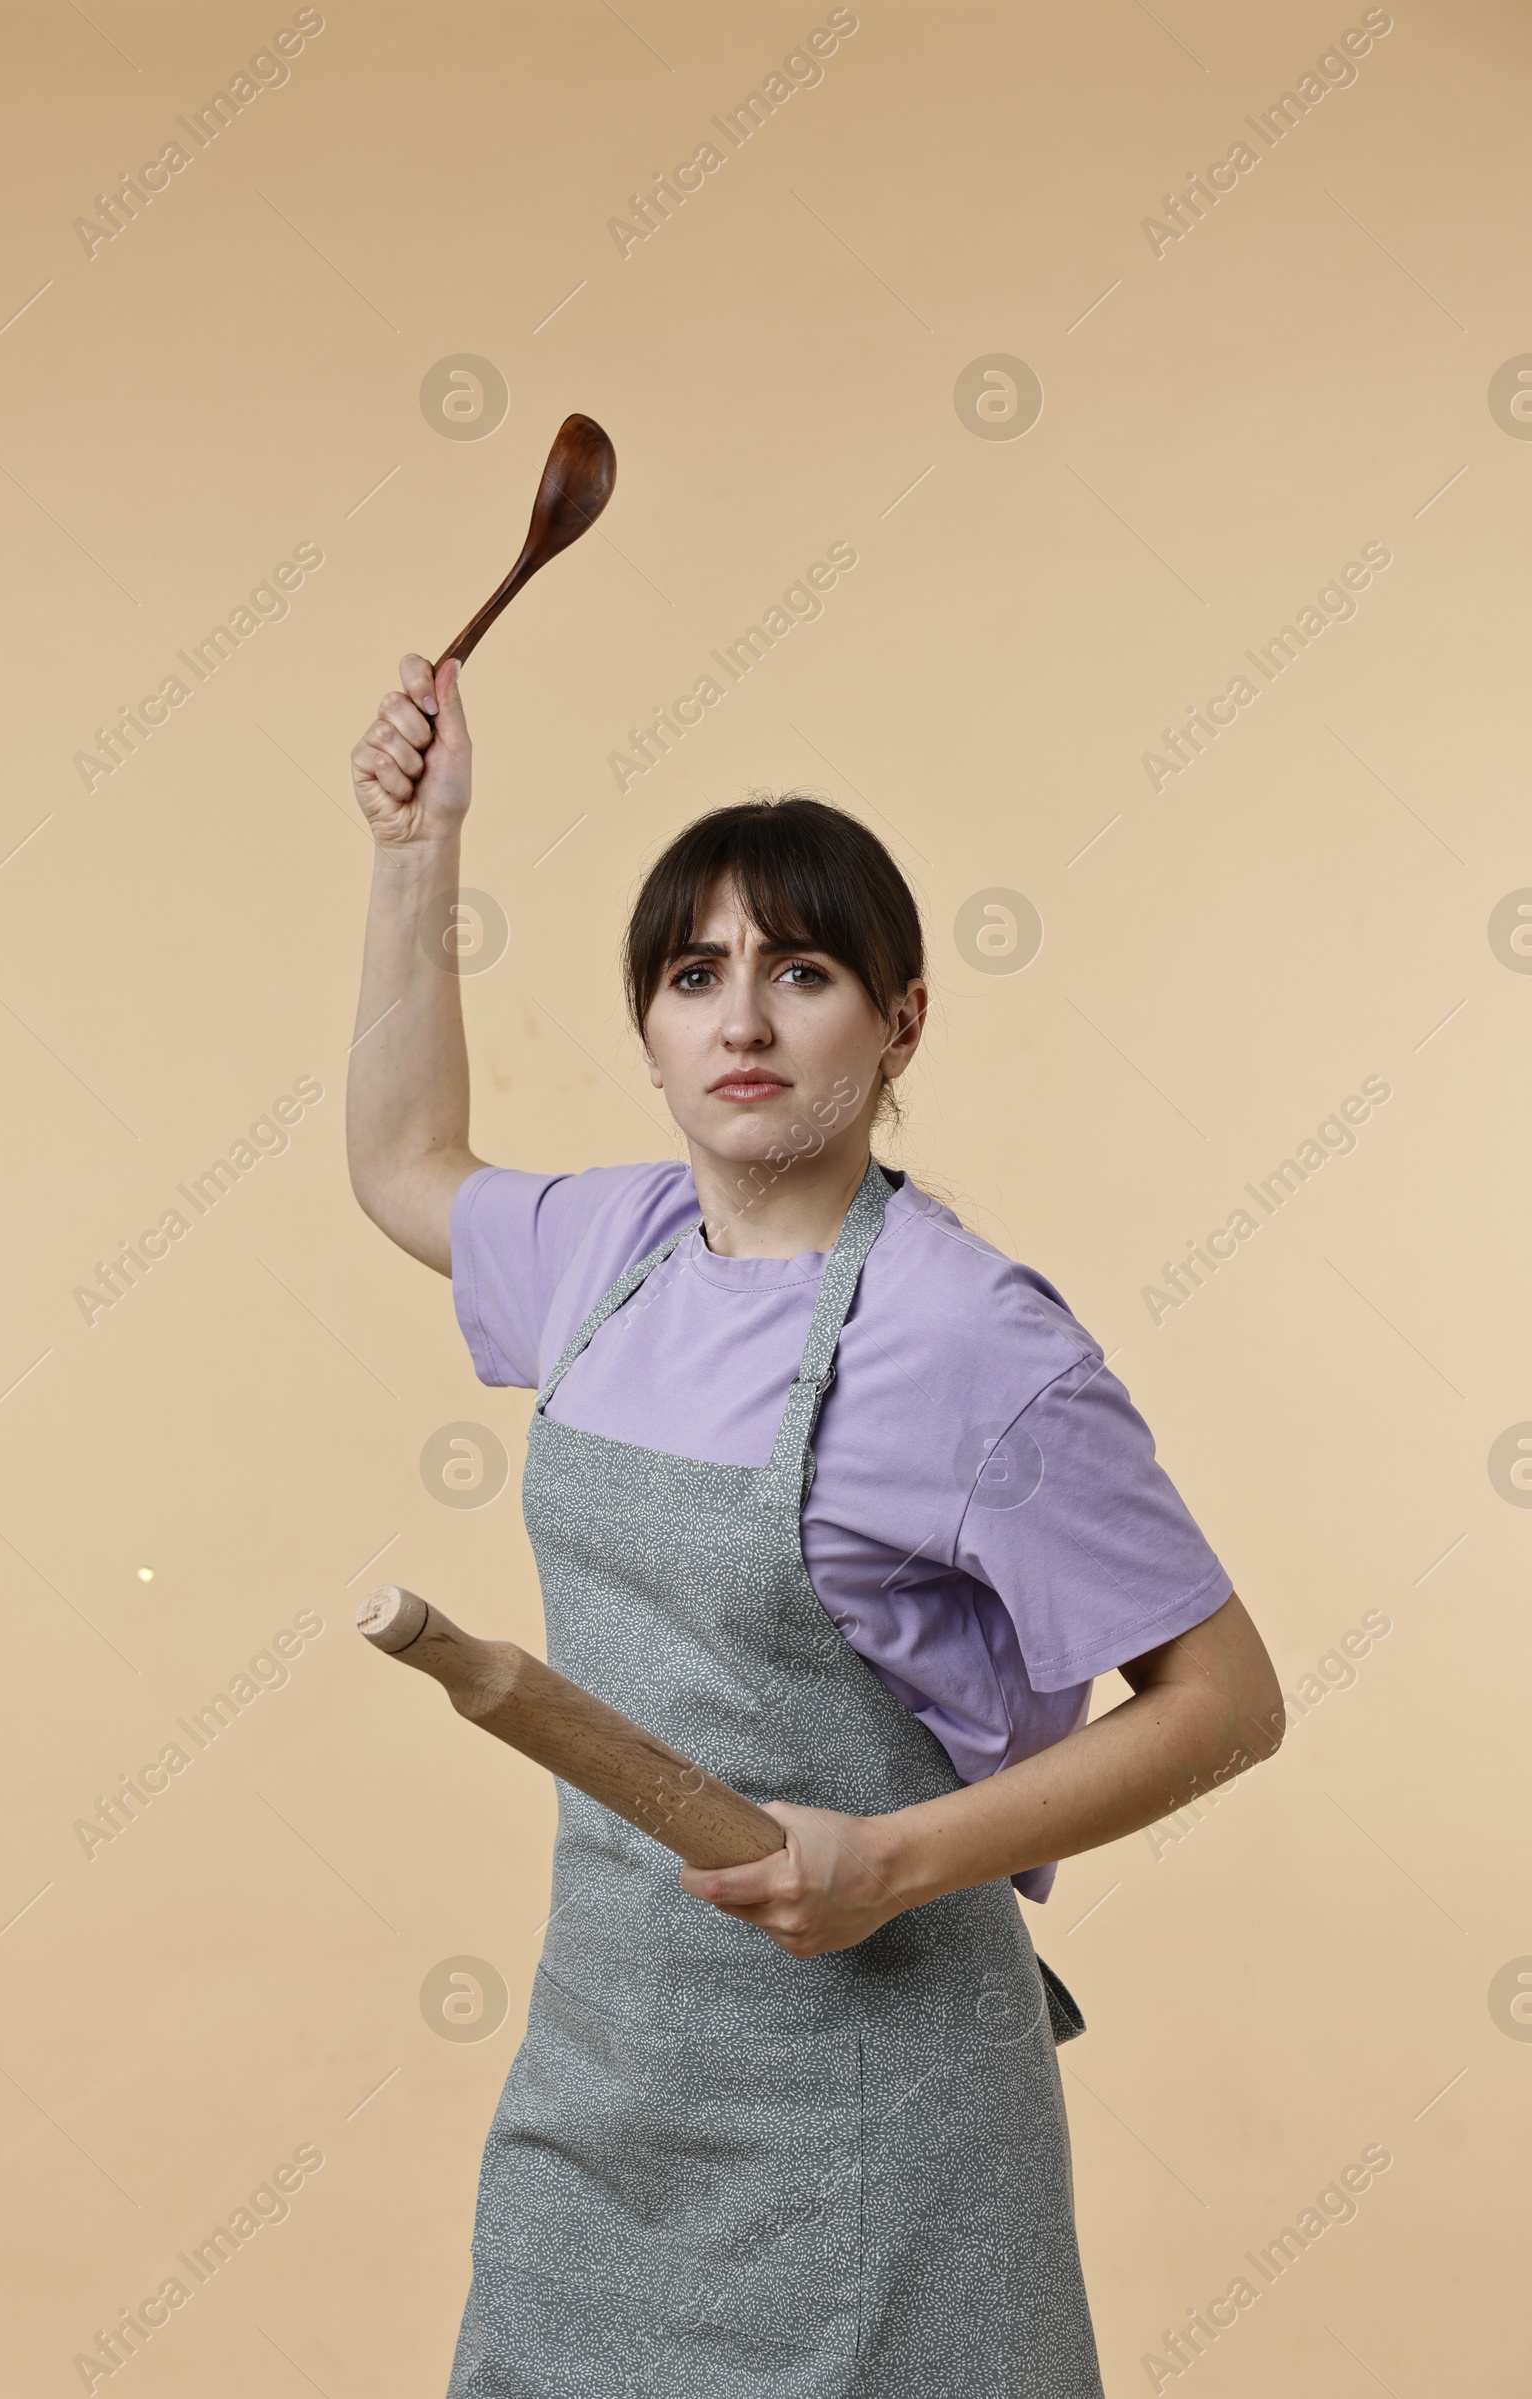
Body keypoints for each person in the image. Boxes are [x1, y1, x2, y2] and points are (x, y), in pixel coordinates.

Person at [348, 653, 1285, 2399]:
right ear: (648, 1028)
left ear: (904, 1019)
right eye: (696, 977)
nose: (745, 1022)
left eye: (806, 973)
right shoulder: (604, 1255)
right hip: (605, 2086)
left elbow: (1230, 1703)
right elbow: (404, 1160)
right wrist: (419, 849)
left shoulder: (974, 1340)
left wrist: (893, 1862)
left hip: (880, 2117)